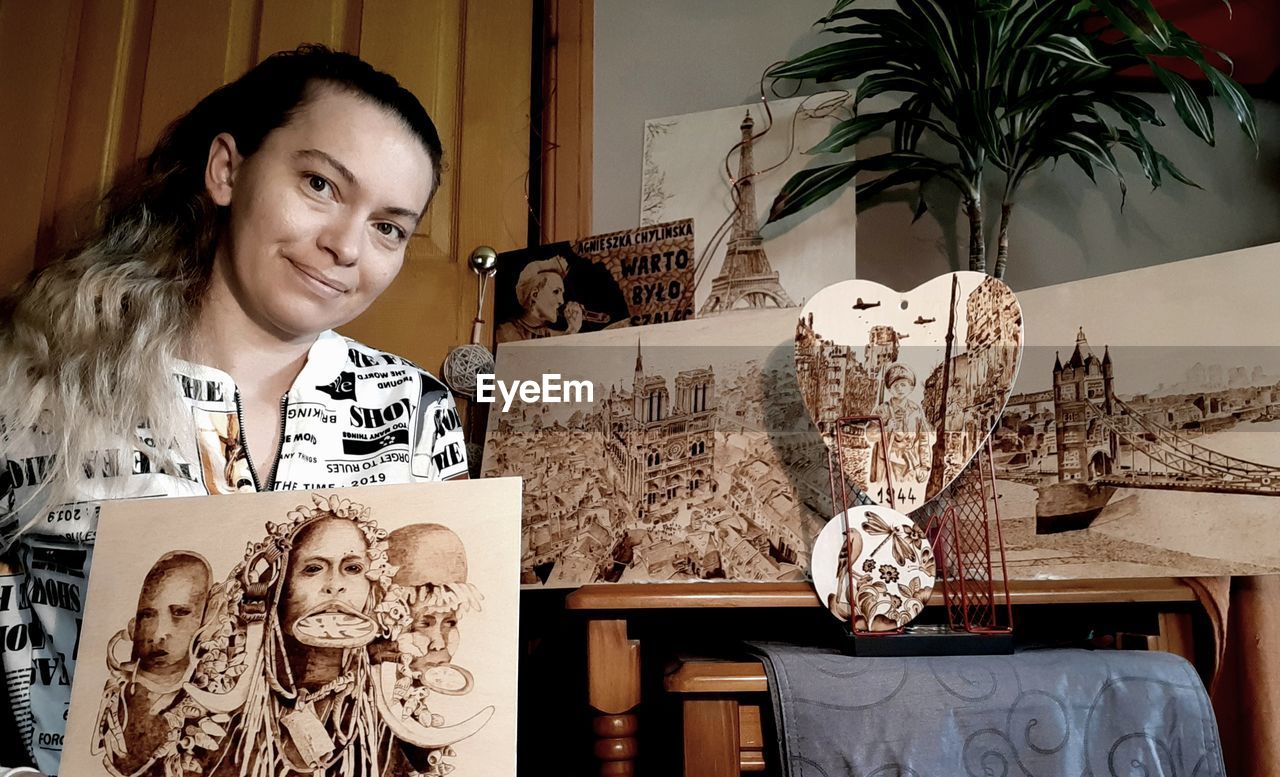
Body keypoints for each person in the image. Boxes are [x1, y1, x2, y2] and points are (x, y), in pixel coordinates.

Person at [0, 45, 468, 776]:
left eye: (389, 227)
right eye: (320, 184)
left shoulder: (415, 410)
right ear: (228, 170)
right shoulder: (36, 380)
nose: (345, 246)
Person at [495, 255, 585, 342]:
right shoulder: (506, 331)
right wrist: (571, 331)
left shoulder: (553, 335)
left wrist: (573, 328)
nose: (561, 301)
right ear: (535, 294)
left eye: (562, 294)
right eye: (556, 292)